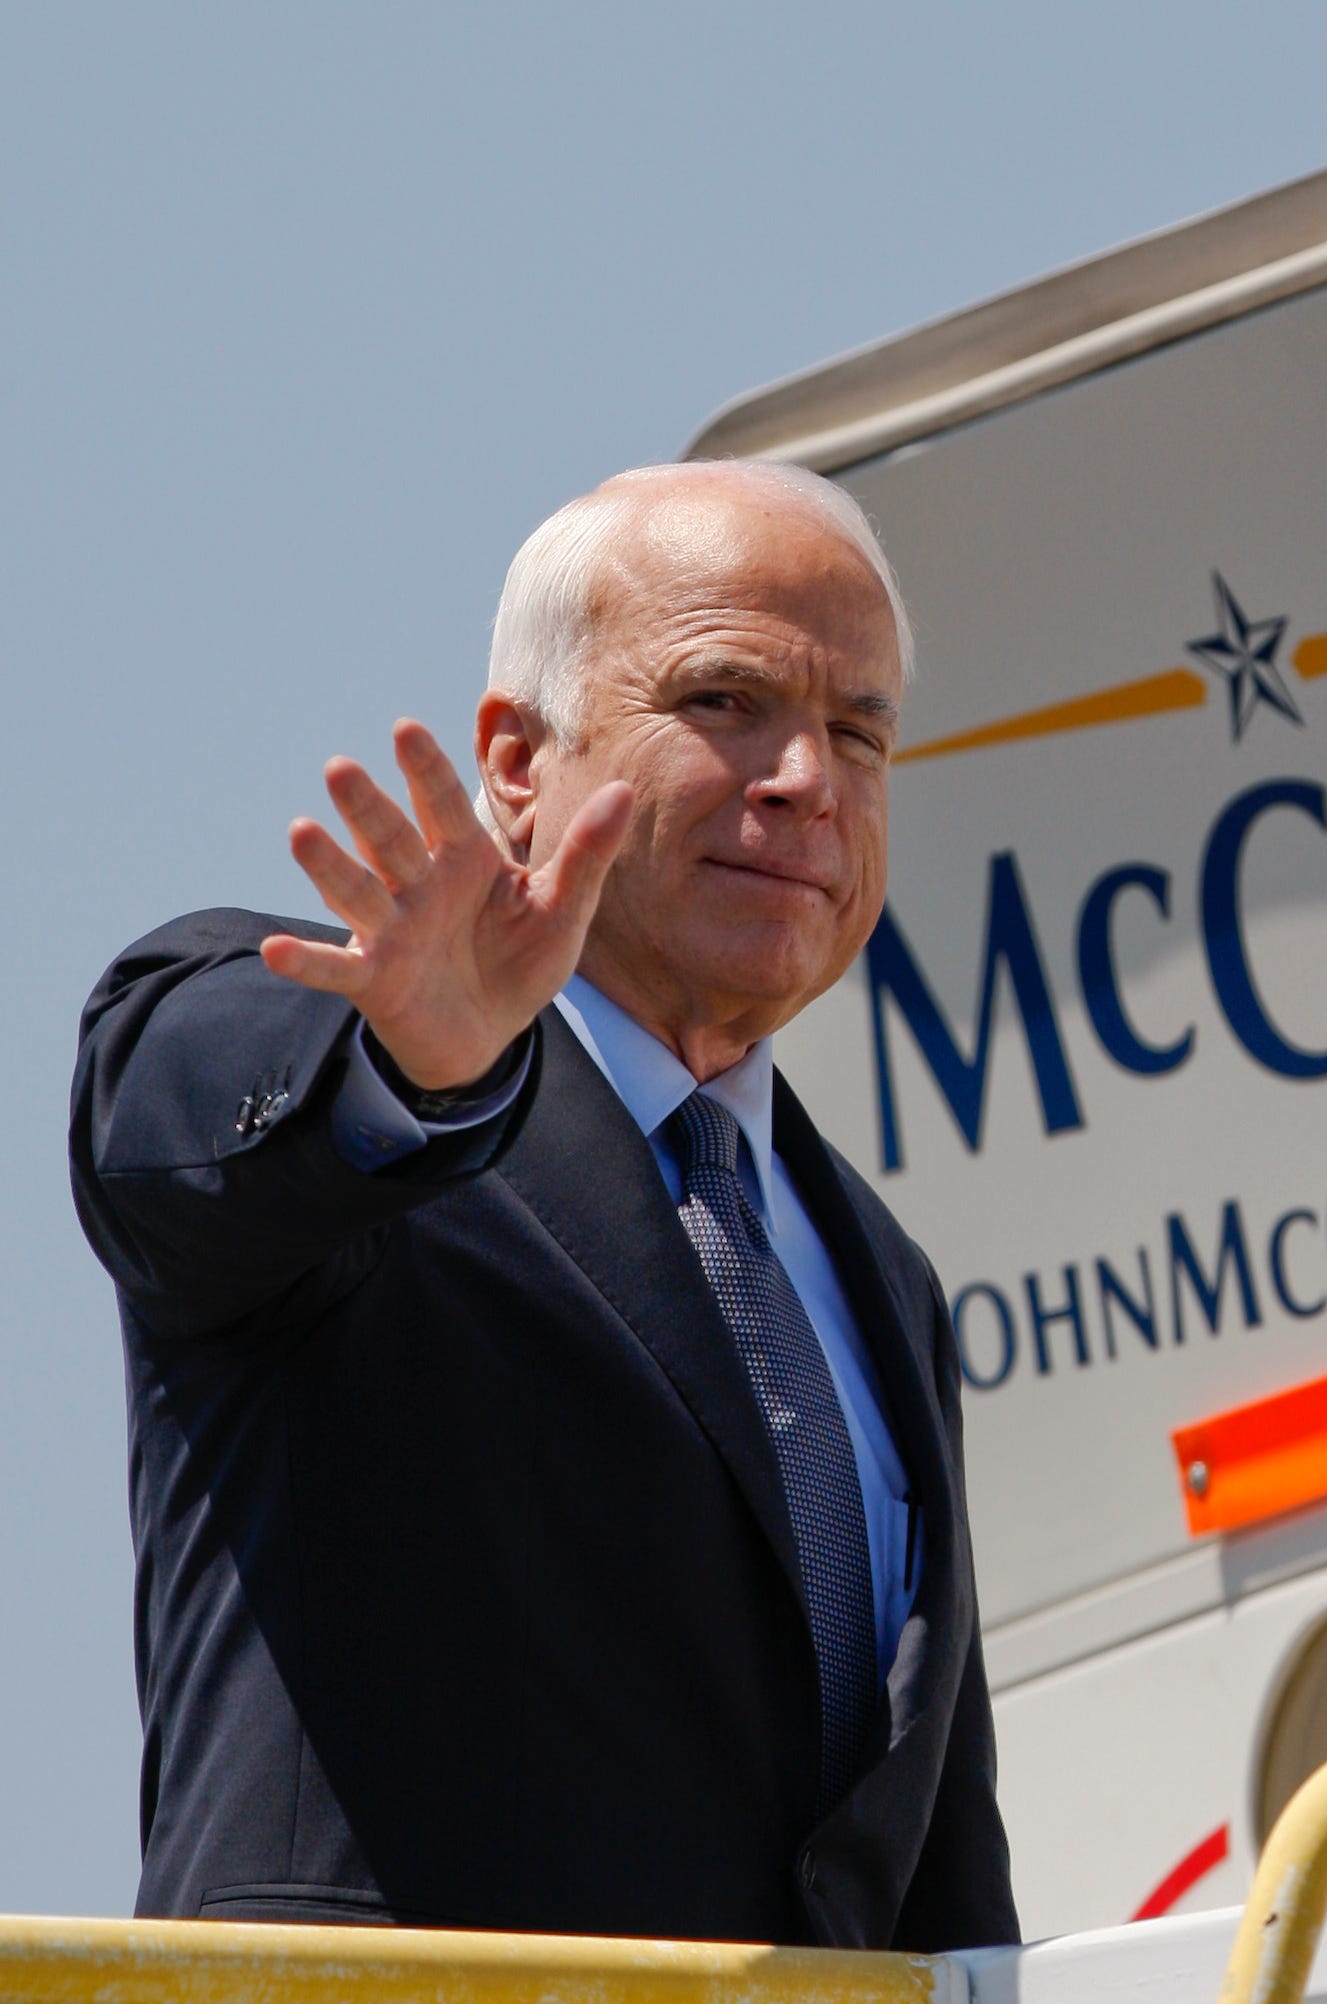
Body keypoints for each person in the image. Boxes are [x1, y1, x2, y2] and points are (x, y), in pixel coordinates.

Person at [68, 461, 1017, 1952]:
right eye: (724, 703)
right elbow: (162, 1138)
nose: (806, 782)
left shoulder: (879, 1279)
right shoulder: (359, 1107)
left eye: (859, 731)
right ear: (518, 761)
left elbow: (934, 1874)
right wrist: (407, 1068)